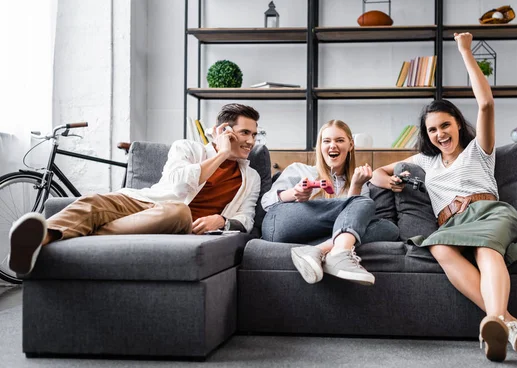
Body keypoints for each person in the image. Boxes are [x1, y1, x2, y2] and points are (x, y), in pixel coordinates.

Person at [371, 33, 517, 362]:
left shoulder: (480, 150)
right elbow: (378, 172)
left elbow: (486, 104)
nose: (440, 134)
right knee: (438, 245)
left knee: (485, 248)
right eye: (433, 130)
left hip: (488, 212)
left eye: (445, 125)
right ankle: (508, 323)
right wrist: (388, 182)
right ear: (428, 136)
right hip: (451, 223)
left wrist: (464, 51)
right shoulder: (425, 161)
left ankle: (499, 321)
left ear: (458, 125)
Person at [8, 103, 261, 276]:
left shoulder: (250, 176)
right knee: (94, 201)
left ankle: (70, 237)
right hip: (144, 201)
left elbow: (247, 219)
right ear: (223, 132)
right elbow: (178, 184)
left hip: (178, 220)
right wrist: (221, 155)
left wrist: (223, 220)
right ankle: (38, 240)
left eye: (254, 134)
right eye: (245, 133)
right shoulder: (187, 148)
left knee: (179, 211)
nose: (251, 141)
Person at [261, 120, 399, 286]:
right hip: (281, 224)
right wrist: (294, 193)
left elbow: (352, 221)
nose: (333, 146)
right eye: (326, 141)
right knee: (363, 203)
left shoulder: (358, 184)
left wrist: (355, 186)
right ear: (320, 146)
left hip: (317, 235)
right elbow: (266, 202)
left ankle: (317, 250)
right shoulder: (299, 170)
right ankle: (338, 252)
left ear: (351, 145)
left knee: (389, 228)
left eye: (339, 140)